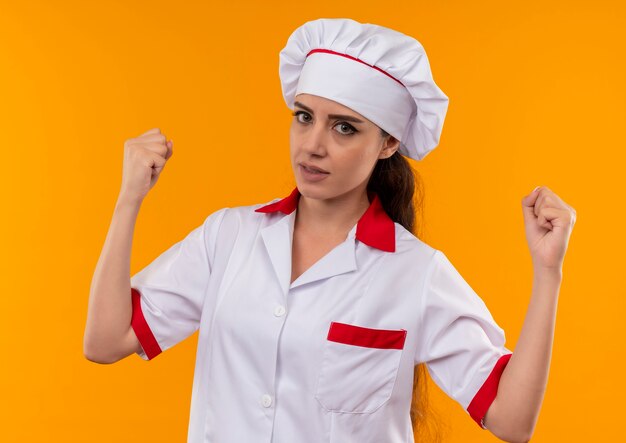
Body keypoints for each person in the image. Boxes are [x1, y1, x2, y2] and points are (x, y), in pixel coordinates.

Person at [83, 18, 577, 443]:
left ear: (387, 144)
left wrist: (548, 272)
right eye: (304, 118)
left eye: (344, 127)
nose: (312, 145)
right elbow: (106, 342)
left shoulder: (416, 273)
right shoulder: (227, 238)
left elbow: (511, 421)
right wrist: (129, 200)